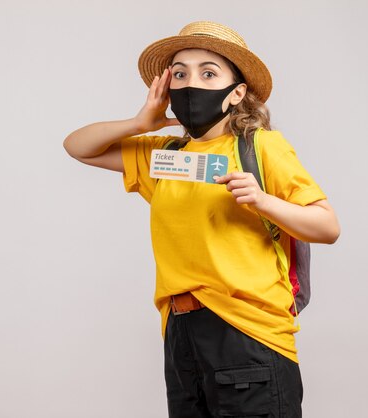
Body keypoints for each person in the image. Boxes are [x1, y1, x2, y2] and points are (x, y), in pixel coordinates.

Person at [63, 21, 340, 418]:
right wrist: (140, 124)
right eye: (179, 73)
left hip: (248, 332)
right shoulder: (165, 156)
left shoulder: (261, 147)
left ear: (237, 93)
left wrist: (261, 200)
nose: (191, 83)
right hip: (180, 333)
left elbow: (327, 227)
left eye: (208, 72)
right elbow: (78, 147)